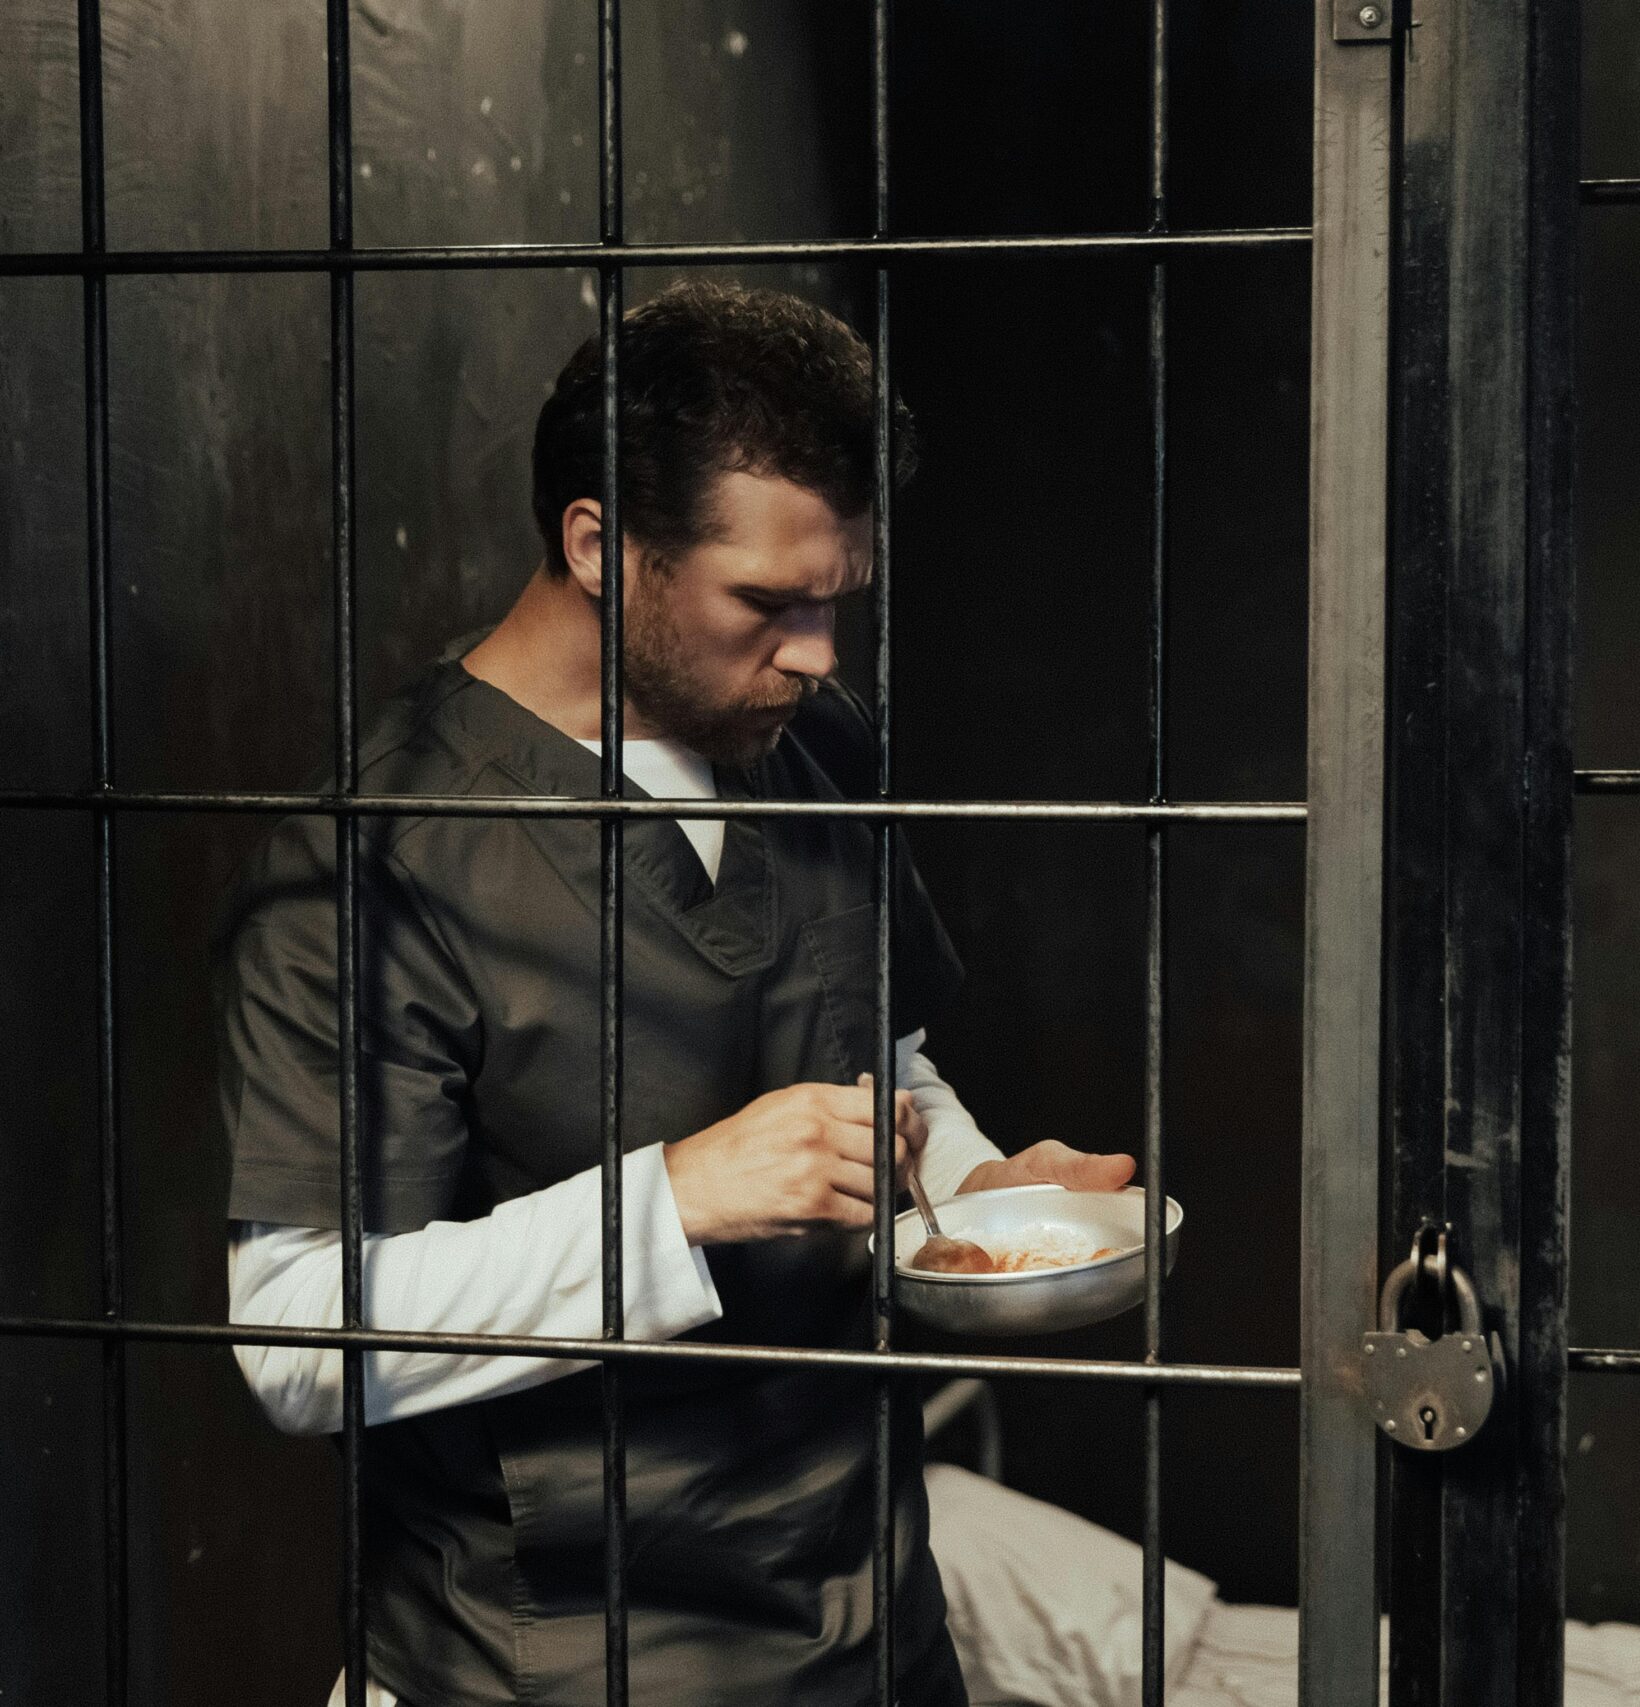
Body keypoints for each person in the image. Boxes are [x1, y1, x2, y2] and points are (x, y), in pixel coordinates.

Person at [218, 280, 1134, 1705]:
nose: (822, 654)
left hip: (869, 1634)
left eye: (838, 601)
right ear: (599, 545)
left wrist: (981, 1190)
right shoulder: (379, 854)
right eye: (769, 604)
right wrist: (680, 1200)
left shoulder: (813, 740)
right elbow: (291, 1339)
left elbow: (874, 1055)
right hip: (555, 1658)